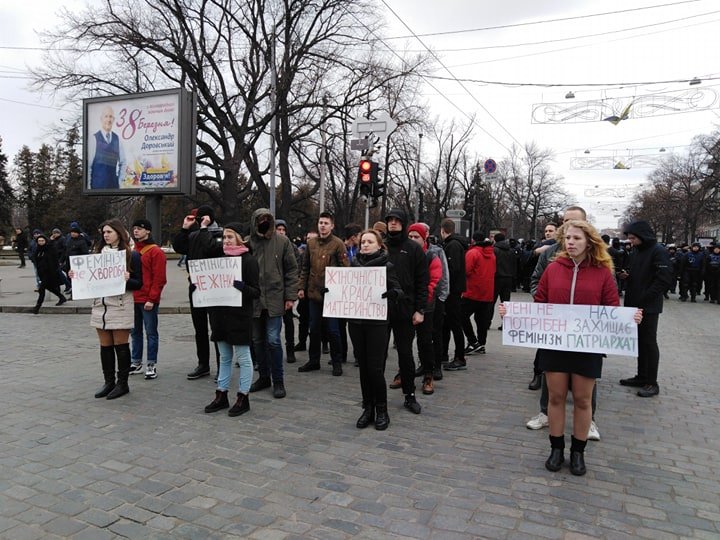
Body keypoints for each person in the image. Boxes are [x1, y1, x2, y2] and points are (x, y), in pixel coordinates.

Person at [503, 220, 642, 476]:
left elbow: (611, 308)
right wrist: (511, 315)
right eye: (568, 238)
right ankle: (556, 448)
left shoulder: (602, 272)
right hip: (555, 345)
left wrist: (628, 320)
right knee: (555, 398)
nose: (570, 242)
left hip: (586, 347)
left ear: (589, 241)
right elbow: (540, 302)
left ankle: (578, 452)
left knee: (582, 399)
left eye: (577, 238)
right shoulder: (554, 268)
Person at [526, 206, 602, 442]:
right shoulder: (551, 254)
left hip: (585, 336)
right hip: (554, 330)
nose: (567, 230)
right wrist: (545, 306)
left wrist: (626, 321)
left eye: (574, 224)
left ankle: (590, 423)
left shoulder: (599, 263)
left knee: (585, 389)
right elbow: (537, 283)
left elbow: (609, 304)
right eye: (564, 223)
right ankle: (545, 413)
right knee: (553, 380)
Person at [70, 219, 142, 400]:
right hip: (100, 305)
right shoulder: (97, 254)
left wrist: (127, 279)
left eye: (109, 231)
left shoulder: (130, 255)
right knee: (105, 346)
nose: (106, 235)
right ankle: (108, 382)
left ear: (118, 232)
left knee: (121, 345)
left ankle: (122, 383)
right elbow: (89, 278)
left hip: (120, 304)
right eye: (104, 232)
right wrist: (75, 276)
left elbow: (139, 283)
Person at [196, 221, 261, 417]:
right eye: (224, 237)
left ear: (240, 238)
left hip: (239, 316)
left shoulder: (248, 260)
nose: (226, 241)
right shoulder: (219, 259)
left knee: (243, 357)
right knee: (224, 357)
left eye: (230, 237)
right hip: (219, 315)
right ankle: (221, 394)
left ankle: (243, 396)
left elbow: (256, 292)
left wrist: (241, 287)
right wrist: (198, 287)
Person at [349, 229, 403, 430]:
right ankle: (368, 408)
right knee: (363, 368)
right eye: (362, 241)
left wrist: (392, 294)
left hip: (377, 324)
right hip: (356, 323)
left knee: (375, 369)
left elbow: (399, 290)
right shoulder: (353, 265)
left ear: (379, 245)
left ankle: (382, 409)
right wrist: (331, 293)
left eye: (369, 241)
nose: (364, 244)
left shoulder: (387, 266)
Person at [246, 209, 299, 399]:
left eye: (267, 220)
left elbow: (292, 270)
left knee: (273, 340)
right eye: (260, 220)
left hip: (275, 298)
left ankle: (278, 380)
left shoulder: (282, 242)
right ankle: (264, 377)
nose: (263, 222)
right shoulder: (248, 242)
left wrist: (290, 297)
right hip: (254, 300)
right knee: (257, 341)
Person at [619, 220, 673, 397]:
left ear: (643, 236)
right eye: (629, 238)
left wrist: (645, 298)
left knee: (649, 343)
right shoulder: (636, 251)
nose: (631, 241)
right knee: (639, 341)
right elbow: (639, 273)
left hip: (648, 307)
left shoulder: (658, 251)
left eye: (633, 238)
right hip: (634, 304)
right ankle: (641, 376)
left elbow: (663, 279)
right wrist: (626, 275)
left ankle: (652, 382)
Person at [384, 209, 428, 414]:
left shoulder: (413, 248)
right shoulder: (380, 246)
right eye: (390, 220)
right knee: (377, 356)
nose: (393, 224)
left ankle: (409, 395)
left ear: (403, 223)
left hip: (405, 309)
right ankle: (376, 398)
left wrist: (420, 309)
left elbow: (422, 282)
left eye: (396, 221)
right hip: (380, 310)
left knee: (405, 354)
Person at [173, 205, 223, 380]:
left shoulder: (220, 234)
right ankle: (203, 364)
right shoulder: (194, 236)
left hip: (216, 288)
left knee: (217, 328)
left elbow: (210, 248)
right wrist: (184, 229)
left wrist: (204, 229)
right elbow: (179, 247)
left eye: (203, 218)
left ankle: (221, 365)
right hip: (196, 286)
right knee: (199, 328)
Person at [296, 212, 349, 375]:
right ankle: (314, 360)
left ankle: (337, 362)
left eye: (326, 223)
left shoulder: (338, 244)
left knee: (333, 330)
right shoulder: (311, 244)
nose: (323, 225)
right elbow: (305, 268)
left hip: (332, 296)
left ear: (332, 226)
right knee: (314, 329)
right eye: (320, 223)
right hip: (313, 294)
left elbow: (345, 269)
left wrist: (338, 289)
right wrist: (301, 287)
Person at [129, 219, 168, 380]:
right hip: (133, 297)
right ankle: (136, 361)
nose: (136, 231)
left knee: (151, 332)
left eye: (139, 229)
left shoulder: (156, 252)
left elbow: (159, 278)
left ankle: (151, 363)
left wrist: (152, 299)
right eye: (134, 229)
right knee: (135, 332)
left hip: (148, 299)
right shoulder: (132, 250)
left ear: (148, 231)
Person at [407, 224, 442, 395]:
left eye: (416, 237)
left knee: (425, 341)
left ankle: (428, 375)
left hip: (425, 306)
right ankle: (404, 373)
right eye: (410, 237)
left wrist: (420, 307)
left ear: (424, 238)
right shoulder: (404, 254)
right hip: (406, 305)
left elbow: (433, 283)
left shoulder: (431, 257)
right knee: (404, 342)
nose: (413, 240)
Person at [439, 218, 468, 371]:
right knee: (447, 323)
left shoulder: (452, 245)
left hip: (452, 291)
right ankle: (444, 353)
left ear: (443, 230)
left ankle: (459, 357)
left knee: (454, 323)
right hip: (453, 290)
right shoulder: (454, 244)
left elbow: (452, 269)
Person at [461, 232, 496, 356]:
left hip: (472, 291)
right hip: (487, 293)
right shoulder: (492, 254)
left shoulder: (473, 253)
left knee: (462, 316)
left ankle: (473, 342)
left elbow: (466, 270)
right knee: (481, 320)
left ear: (473, 240)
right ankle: (481, 344)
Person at [275, 219, 301, 364]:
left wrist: (293, 291)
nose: (281, 232)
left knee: (288, 321)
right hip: (274, 290)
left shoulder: (291, 247)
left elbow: (295, 268)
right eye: (278, 229)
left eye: (283, 230)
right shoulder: (271, 246)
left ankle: (290, 349)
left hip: (286, 290)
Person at [88, 106, 127, 190]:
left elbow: (123, 162)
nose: (108, 120)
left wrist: (119, 183)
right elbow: (88, 166)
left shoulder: (117, 139)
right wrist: (88, 187)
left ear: (113, 119)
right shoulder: (94, 139)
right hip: (96, 190)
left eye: (111, 117)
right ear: (101, 118)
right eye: (106, 116)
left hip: (113, 189)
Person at [32, 233, 67, 313]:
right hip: (41, 273)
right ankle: (61, 297)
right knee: (49, 287)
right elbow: (35, 259)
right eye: (39, 241)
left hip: (49, 272)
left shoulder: (49, 248)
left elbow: (54, 257)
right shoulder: (37, 250)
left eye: (42, 240)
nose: (41, 242)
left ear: (45, 241)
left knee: (41, 289)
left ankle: (37, 306)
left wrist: (51, 241)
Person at [491, 232, 517, 331]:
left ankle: (487, 322)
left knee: (491, 302)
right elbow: (515, 265)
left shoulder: (494, 250)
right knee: (506, 303)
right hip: (508, 278)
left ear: (495, 240)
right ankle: (505, 323)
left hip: (496, 278)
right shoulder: (511, 251)